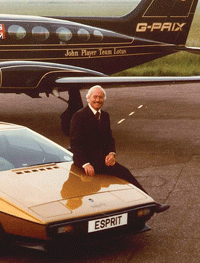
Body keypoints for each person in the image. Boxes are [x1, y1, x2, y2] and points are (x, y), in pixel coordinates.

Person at [69, 85, 170, 213]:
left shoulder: (105, 116)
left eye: (101, 97)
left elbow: (109, 139)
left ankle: (151, 204)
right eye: (95, 97)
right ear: (88, 98)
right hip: (85, 163)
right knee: (92, 192)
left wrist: (111, 154)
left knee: (126, 174)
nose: (98, 100)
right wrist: (85, 163)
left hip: (103, 161)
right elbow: (75, 144)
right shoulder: (79, 116)